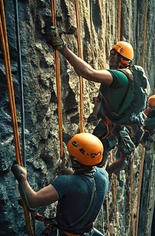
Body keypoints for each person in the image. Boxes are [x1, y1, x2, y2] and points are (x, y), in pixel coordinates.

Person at [44, 26, 149, 168]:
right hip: (112, 125)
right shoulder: (124, 76)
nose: (111, 57)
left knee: (95, 154)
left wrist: (63, 48)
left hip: (111, 126)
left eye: (115, 54)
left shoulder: (121, 77)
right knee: (98, 153)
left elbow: (89, 73)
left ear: (124, 59)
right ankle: (89, 176)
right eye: (111, 53)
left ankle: (86, 179)